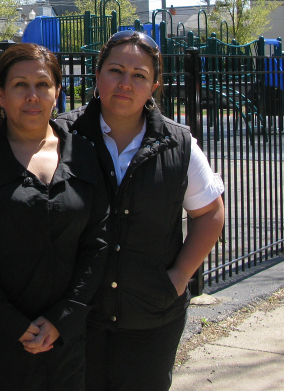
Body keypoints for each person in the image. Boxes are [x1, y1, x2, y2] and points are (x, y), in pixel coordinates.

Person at [0, 44, 110, 391]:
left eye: (43, 85)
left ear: (57, 92)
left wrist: (61, 320)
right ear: (0, 93)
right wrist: (12, 325)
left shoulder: (84, 155)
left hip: (62, 347)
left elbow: (97, 245)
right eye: (19, 85)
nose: (32, 96)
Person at [57, 30, 225, 391]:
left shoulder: (179, 145)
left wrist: (178, 278)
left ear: (154, 86)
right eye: (115, 71)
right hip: (74, 320)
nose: (125, 84)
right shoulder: (60, 138)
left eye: (139, 76)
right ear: (97, 74)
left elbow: (210, 213)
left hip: (151, 320)